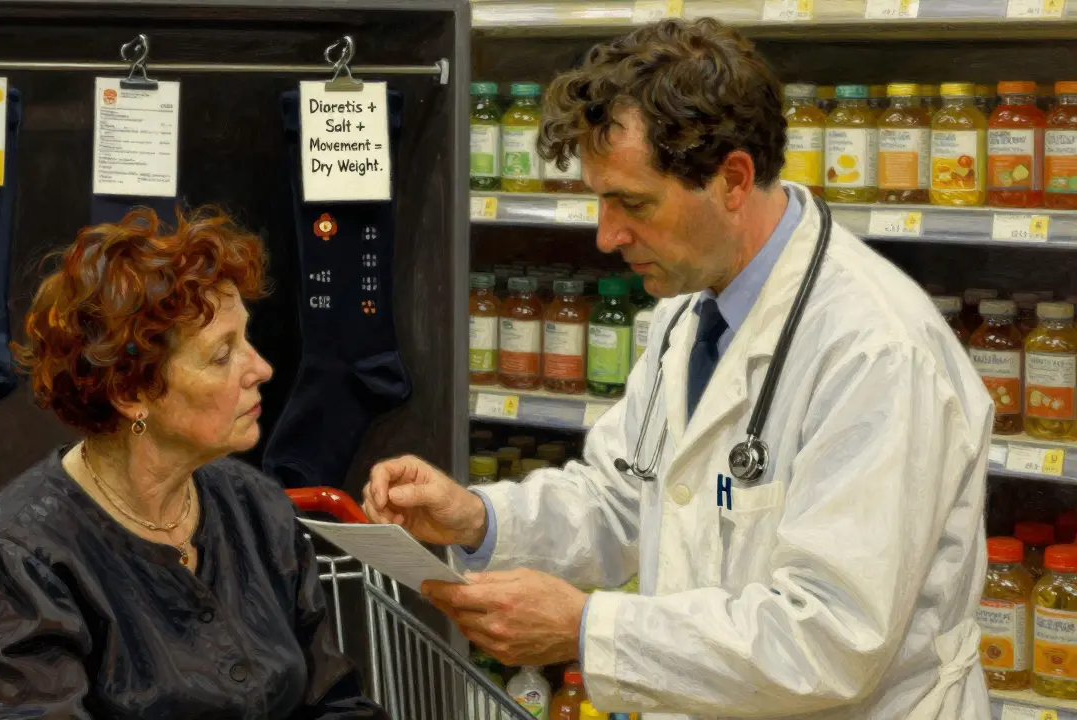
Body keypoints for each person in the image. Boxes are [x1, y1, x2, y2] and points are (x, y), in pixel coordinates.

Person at [365, 18, 991, 720]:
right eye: (599, 200)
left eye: (632, 203)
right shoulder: (688, 308)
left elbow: (833, 637)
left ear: (733, 179)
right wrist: (478, 519)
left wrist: (585, 629)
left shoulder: (875, 350)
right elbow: (624, 497)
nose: (606, 237)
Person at [0, 206, 387, 719]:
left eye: (248, 340)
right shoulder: (17, 564)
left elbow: (333, 701)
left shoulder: (255, 508)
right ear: (132, 393)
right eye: (222, 355)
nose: (261, 368)